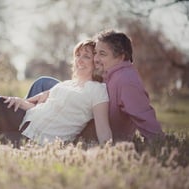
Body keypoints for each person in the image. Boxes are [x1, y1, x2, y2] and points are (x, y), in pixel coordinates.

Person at [0, 39, 113, 145]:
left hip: (37, 141)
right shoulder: (66, 84)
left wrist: (110, 152)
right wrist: (20, 101)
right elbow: (39, 105)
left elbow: (104, 130)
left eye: (86, 56)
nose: (80, 60)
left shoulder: (98, 91)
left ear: (95, 62)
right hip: (23, 121)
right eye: (78, 55)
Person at [30, 30, 164, 143]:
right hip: (89, 111)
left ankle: (26, 129)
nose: (96, 58)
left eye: (102, 54)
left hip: (92, 127)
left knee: (43, 84)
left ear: (121, 56)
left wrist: (159, 142)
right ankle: (27, 122)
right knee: (45, 83)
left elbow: (144, 116)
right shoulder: (111, 72)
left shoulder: (127, 81)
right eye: (96, 53)